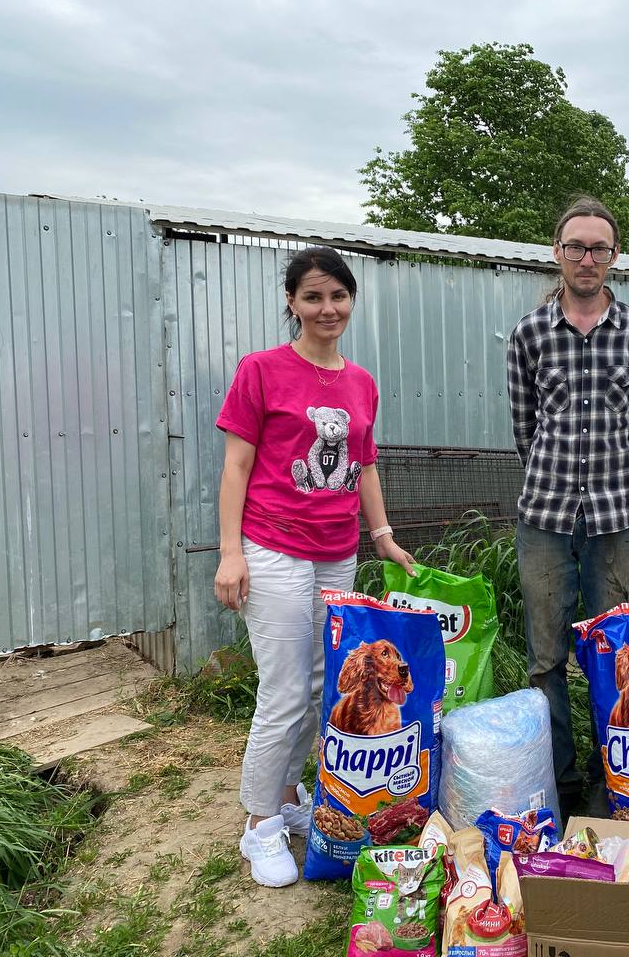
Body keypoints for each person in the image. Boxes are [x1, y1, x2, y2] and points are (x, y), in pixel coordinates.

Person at [214, 246, 415, 887]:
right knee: (284, 690)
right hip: (272, 546)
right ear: (293, 304)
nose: (327, 309)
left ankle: (290, 795)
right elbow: (237, 467)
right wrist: (229, 552)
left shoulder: (360, 381)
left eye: (337, 296)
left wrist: (380, 535)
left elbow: (364, 465)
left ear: (350, 300)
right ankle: (258, 826)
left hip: (337, 551)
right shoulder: (262, 370)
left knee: (330, 686)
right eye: (313, 297)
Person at [506, 195, 629, 820]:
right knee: (546, 658)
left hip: (615, 520)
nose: (587, 258)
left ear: (614, 256)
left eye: (598, 247)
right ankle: (560, 783)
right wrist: (557, 478)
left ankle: (616, 779)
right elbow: (524, 427)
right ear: (558, 253)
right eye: (576, 247)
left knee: (616, 654)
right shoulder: (530, 333)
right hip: (544, 516)